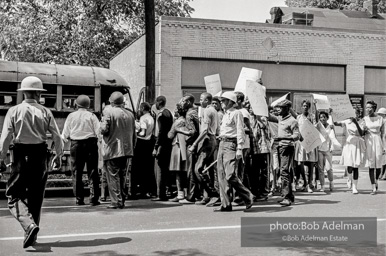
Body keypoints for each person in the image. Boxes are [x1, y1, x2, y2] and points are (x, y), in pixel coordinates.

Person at [0, 76, 63, 248]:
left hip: (21, 155)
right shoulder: (45, 111)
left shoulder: (13, 111)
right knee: (36, 198)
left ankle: (29, 226)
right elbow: (57, 136)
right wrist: (58, 155)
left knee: (13, 196)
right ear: (37, 93)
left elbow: (6, 137)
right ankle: (32, 235)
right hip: (41, 154)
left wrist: (1, 157)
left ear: (24, 93)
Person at [215, 91, 255, 212]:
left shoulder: (237, 113)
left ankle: (247, 196)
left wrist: (239, 148)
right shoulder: (225, 114)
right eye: (222, 100)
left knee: (230, 174)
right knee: (221, 175)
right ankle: (226, 204)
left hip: (231, 145)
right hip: (222, 143)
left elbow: (240, 131)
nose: (222, 103)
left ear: (231, 102)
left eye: (224, 100)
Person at [62, 95, 100, 206]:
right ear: (88, 105)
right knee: (93, 171)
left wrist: (63, 143)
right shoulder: (92, 116)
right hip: (91, 144)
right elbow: (98, 132)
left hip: (76, 145)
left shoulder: (71, 116)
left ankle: (79, 198)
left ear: (76, 104)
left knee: (76, 172)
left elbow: (65, 133)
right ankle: (94, 198)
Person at [101, 91, 136, 209]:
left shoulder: (108, 111)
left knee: (113, 175)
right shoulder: (130, 114)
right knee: (122, 175)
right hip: (127, 149)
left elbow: (104, 129)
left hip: (113, 149)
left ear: (111, 101)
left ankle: (116, 201)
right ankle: (122, 199)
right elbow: (134, 134)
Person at [188, 92, 220, 206]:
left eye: (202, 99)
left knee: (198, 169)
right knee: (208, 169)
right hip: (213, 140)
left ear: (207, 101)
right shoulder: (215, 111)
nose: (200, 101)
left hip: (207, 140)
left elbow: (205, 130)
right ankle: (207, 196)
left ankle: (214, 194)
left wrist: (194, 144)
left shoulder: (207, 111)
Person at [268, 99, 300, 206]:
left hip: (287, 147)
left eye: (281, 108)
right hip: (280, 146)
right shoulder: (281, 118)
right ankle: (289, 195)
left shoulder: (292, 121)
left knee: (284, 171)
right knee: (284, 170)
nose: (279, 110)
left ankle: (286, 197)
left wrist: (286, 137)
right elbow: (269, 117)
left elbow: (297, 135)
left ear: (287, 109)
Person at [178, 94, 200, 204]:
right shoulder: (196, 112)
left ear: (188, 102)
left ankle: (191, 195)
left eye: (183, 101)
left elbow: (193, 131)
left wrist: (180, 130)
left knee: (191, 169)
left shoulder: (190, 114)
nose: (181, 103)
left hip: (192, 144)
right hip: (197, 144)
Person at [334, 115, 364, 194]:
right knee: (350, 165)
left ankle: (355, 187)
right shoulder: (347, 121)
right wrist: (332, 115)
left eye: (357, 113)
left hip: (357, 144)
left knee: (356, 167)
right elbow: (336, 123)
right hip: (349, 144)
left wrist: (356, 122)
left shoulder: (362, 122)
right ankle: (349, 178)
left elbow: (361, 133)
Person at [293, 100, 318, 193]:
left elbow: (315, 127)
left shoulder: (311, 117)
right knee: (300, 163)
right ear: (301, 107)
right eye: (303, 106)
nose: (305, 107)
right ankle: (305, 182)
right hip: (301, 142)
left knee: (311, 163)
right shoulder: (298, 117)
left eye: (307, 106)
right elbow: (296, 128)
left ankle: (310, 183)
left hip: (310, 142)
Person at [132, 102, 155, 198]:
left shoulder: (143, 118)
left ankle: (138, 190)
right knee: (148, 167)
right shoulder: (151, 118)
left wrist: (135, 134)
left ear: (142, 108)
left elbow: (143, 133)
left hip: (142, 143)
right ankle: (148, 189)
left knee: (138, 168)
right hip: (149, 143)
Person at [152, 96, 173, 201]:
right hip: (168, 144)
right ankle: (164, 192)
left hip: (161, 145)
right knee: (165, 170)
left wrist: (156, 147)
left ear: (159, 102)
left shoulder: (160, 115)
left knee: (159, 170)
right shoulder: (169, 113)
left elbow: (160, 132)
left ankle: (160, 194)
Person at [362, 101, 385, 195]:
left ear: (374, 108)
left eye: (370, 107)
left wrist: (384, 146)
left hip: (378, 141)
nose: (368, 109)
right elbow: (361, 133)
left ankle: (376, 181)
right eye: (366, 107)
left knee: (378, 164)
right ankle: (373, 187)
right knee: (371, 165)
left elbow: (383, 133)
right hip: (369, 141)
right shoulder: (365, 119)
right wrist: (364, 130)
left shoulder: (380, 119)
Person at [168, 102, 188, 202]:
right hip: (186, 147)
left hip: (177, 146)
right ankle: (187, 192)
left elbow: (170, 135)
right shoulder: (187, 121)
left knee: (178, 171)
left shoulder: (177, 122)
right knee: (186, 171)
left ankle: (180, 193)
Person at [314, 110, 335, 192]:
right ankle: (322, 185)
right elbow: (313, 127)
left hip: (328, 150)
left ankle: (331, 182)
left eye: (324, 117)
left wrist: (332, 147)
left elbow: (333, 138)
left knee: (329, 168)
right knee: (320, 169)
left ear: (327, 118)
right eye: (321, 117)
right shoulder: (318, 125)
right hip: (320, 149)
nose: (322, 119)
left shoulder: (330, 126)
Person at [376, 107, 386, 180]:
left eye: (380, 114)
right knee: (383, 159)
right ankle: (382, 174)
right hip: (382, 141)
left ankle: (384, 174)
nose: (379, 115)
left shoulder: (384, 121)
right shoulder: (380, 121)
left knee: (384, 159)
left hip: (384, 141)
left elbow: (384, 135)